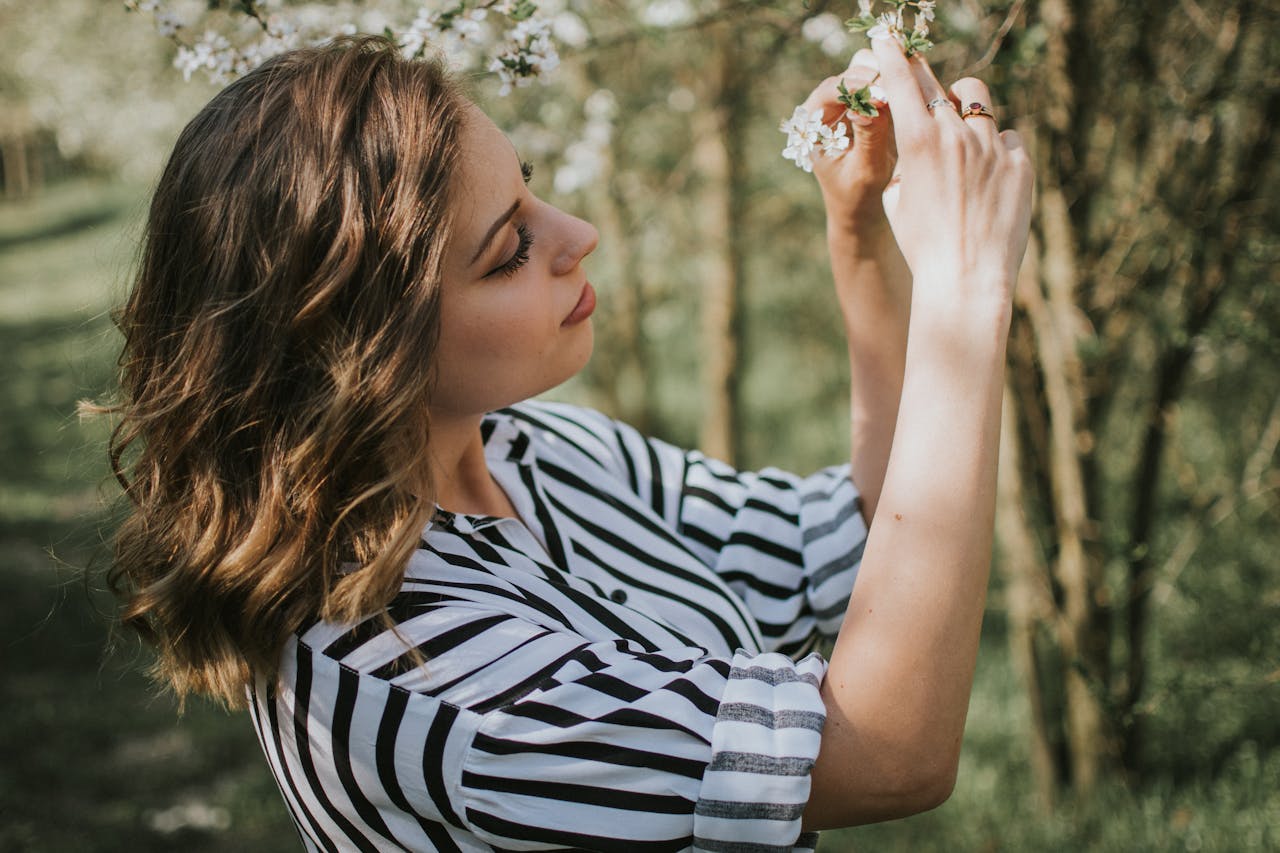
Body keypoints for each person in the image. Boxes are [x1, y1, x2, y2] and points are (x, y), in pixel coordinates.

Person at [102, 31, 1032, 852]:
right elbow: (887, 754)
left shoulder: (530, 450)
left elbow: (862, 533)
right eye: (508, 250)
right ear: (363, 355)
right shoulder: (420, 675)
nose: (578, 235)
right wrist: (966, 290)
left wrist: (860, 237)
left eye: (531, 194)